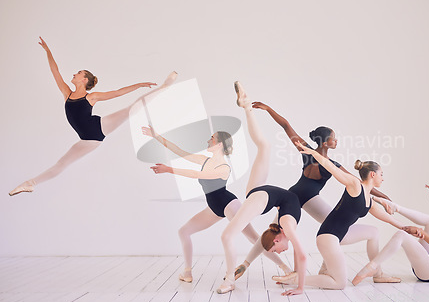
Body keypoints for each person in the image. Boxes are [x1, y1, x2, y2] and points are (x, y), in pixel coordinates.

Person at [234, 102, 394, 282]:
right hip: (299, 200)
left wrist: (268, 109)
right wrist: (384, 197)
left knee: (283, 230)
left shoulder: (307, 152)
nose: (336, 141)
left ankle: (251, 264)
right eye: (334, 138)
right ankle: (261, 266)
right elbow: (360, 182)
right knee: (329, 230)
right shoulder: (329, 164)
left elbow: (286, 125)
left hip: (293, 197)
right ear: (326, 142)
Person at [9, 37, 175, 196]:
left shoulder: (91, 96)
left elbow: (117, 93)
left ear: (84, 79)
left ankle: (164, 88)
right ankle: (30, 184)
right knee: (61, 164)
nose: (75, 74)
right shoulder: (66, 93)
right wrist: (47, 50)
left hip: (99, 127)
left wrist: (139, 84)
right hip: (87, 141)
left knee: (132, 109)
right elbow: (55, 70)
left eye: (79, 73)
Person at [143, 125, 290, 283]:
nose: (208, 141)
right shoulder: (204, 161)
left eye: (211, 139)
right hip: (213, 208)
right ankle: (187, 273)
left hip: (229, 205)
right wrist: (156, 136)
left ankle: (286, 268)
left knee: (254, 238)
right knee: (184, 231)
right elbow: (180, 151)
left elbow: (196, 174)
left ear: (219, 144)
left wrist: (169, 169)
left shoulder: (224, 168)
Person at [217, 82, 307, 296]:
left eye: (278, 252)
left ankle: (246, 106)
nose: (281, 251)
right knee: (227, 236)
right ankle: (229, 281)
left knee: (265, 147)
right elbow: (302, 255)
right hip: (263, 196)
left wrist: (247, 264)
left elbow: (263, 242)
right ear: (277, 239)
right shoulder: (286, 225)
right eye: (278, 251)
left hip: (262, 193)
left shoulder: (282, 227)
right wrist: (300, 288)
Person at [272, 149, 404, 289]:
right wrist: (315, 154)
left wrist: (404, 227)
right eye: (381, 174)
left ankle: (378, 274)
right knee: (339, 284)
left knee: (374, 232)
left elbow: (386, 218)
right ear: (373, 174)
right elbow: (334, 169)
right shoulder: (355, 184)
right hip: (328, 237)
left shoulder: (368, 200)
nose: (382, 178)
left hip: (340, 235)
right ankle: (296, 279)